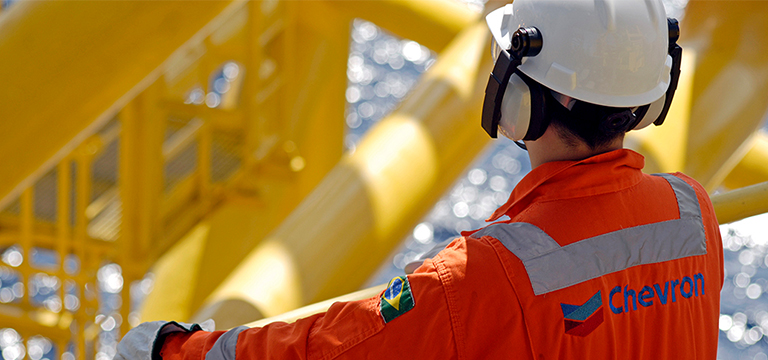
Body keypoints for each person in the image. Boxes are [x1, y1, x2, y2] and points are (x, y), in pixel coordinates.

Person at [117, 0, 724, 359]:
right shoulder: (694, 217)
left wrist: (175, 349)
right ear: (651, 97)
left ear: (520, 96)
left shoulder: (484, 275)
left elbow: (333, 345)